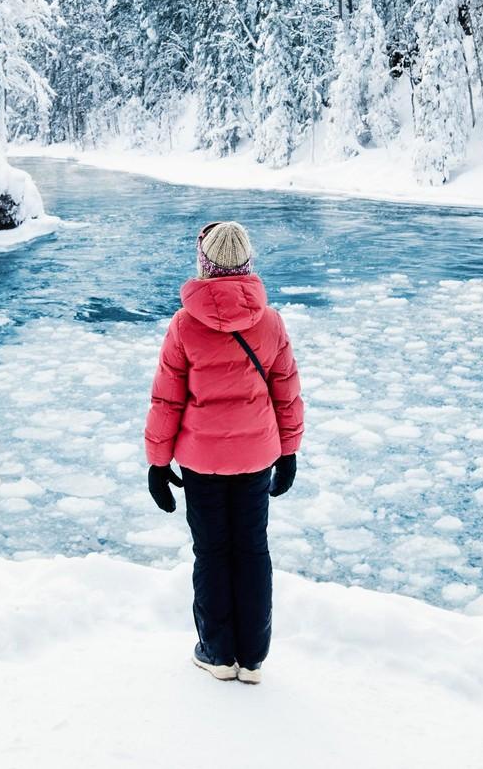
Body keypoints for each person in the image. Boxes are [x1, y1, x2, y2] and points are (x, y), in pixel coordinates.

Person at [144, 220, 304, 685]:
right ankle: (252, 659)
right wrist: (289, 451)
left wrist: (157, 463)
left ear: (205, 265)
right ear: (247, 264)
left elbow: (167, 399)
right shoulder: (270, 322)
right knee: (252, 550)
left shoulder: (184, 324)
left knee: (212, 553)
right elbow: (286, 392)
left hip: (201, 463)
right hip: (256, 457)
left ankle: (217, 653)